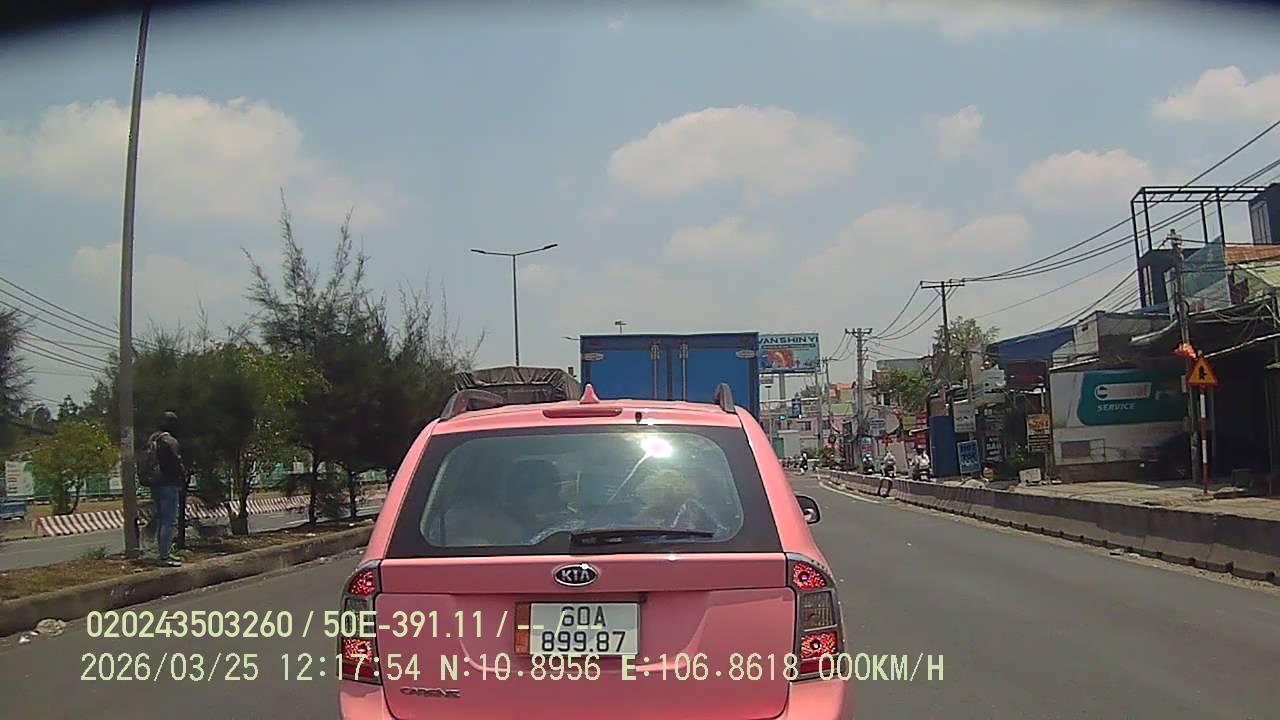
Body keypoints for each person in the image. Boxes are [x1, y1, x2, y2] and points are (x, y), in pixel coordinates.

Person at [145, 412, 187, 567]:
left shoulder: (153, 439)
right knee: (168, 521)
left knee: (161, 520)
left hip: (155, 483)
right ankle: (164, 556)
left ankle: (163, 553)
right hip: (169, 484)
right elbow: (176, 463)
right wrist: (182, 475)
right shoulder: (170, 441)